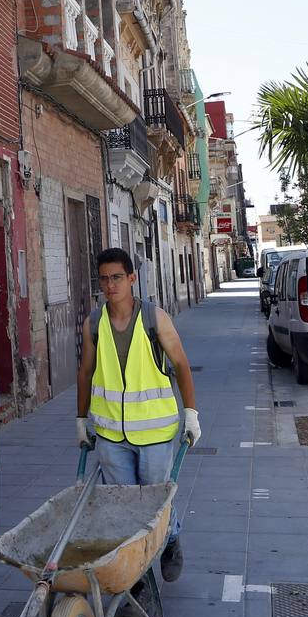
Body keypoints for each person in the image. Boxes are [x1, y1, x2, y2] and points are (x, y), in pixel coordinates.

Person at [75, 247, 201, 586]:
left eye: (117, 277)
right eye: (104, 279)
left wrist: (190, 414)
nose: (110, 285)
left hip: (156, 434)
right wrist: (81, 420)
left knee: (155, 502)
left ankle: (171, 538)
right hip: (111, 434)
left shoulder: (154, 318)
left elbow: (182, 365)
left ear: (132, 278)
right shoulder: (94, 324)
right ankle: (136, 578)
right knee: (121, 508)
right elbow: (86, 372)